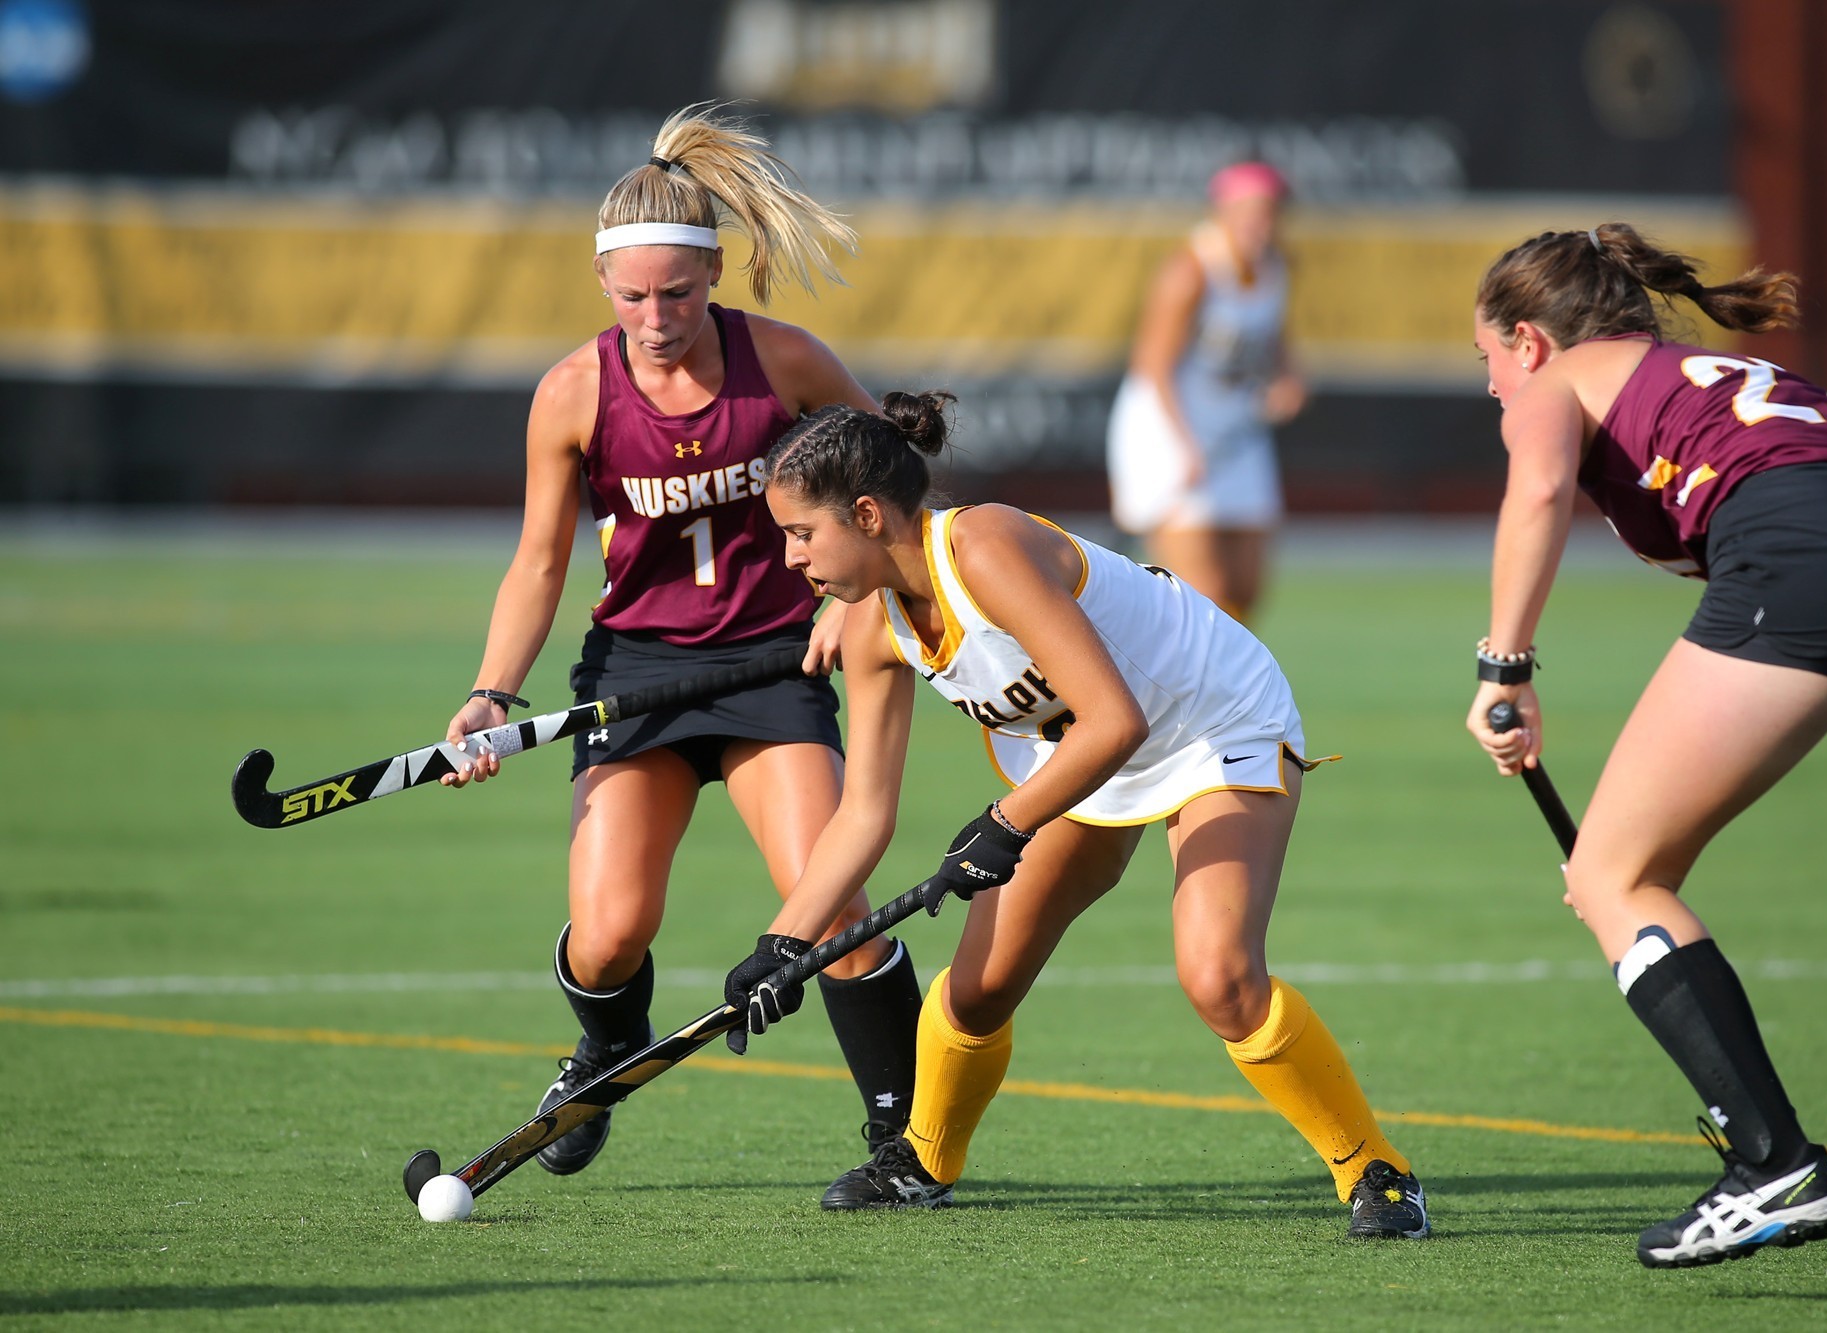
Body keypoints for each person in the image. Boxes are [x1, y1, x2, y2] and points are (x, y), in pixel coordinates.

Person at [721, 390, 1430, 1237]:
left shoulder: (984, 549)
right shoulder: (873, 629)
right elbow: (865, 811)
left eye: (802, 534)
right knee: (976, 992)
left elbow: (1118, 719)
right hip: (1081, 756)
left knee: (1219, 974)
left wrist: (1007, 822)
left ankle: (1376, 1170)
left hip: (1210, 721)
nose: (791, 557)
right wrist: (783, 944)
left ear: (867, 514)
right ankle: (923, 1159)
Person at [1463, 223, 1827, 1269]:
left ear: (1527, 339)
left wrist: (1503, 664)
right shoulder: (1723, 371)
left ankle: (1772, 1166)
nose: (1491, 387)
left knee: (1610, 874)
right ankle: (1771, 1165)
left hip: (1810, 551)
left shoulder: (1550, 382)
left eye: (1485, 359)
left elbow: (1534, 492)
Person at [438, 105, 924, 1182]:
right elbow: (537, 562)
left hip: (771, 667)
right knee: (608, 934)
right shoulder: (571, 394)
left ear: (715, 276)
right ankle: (605, 1046)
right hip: (639, 676)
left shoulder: (783, 361)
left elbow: (893, 481)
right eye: (632, 296)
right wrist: (489, 693)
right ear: (602, 285)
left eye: (678, 293)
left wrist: (855, 600)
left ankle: (906, 1136)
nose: (656, 318)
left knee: (831, 903)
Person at [1104, 159, 1307, 623]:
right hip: (1172, 430)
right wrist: (1185, 447)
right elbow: (1151, 368)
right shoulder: (1192, 271)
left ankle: (1219, 688)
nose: (1263, 223)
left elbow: (1276, 345)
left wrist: (1289, 381)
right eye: (1252, 211)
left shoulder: (1275, 267)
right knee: (1201, 596)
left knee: (1244, 590)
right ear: (1223, 211)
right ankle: (1173, 689)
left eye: (1272, 212)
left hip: (1235, 432)